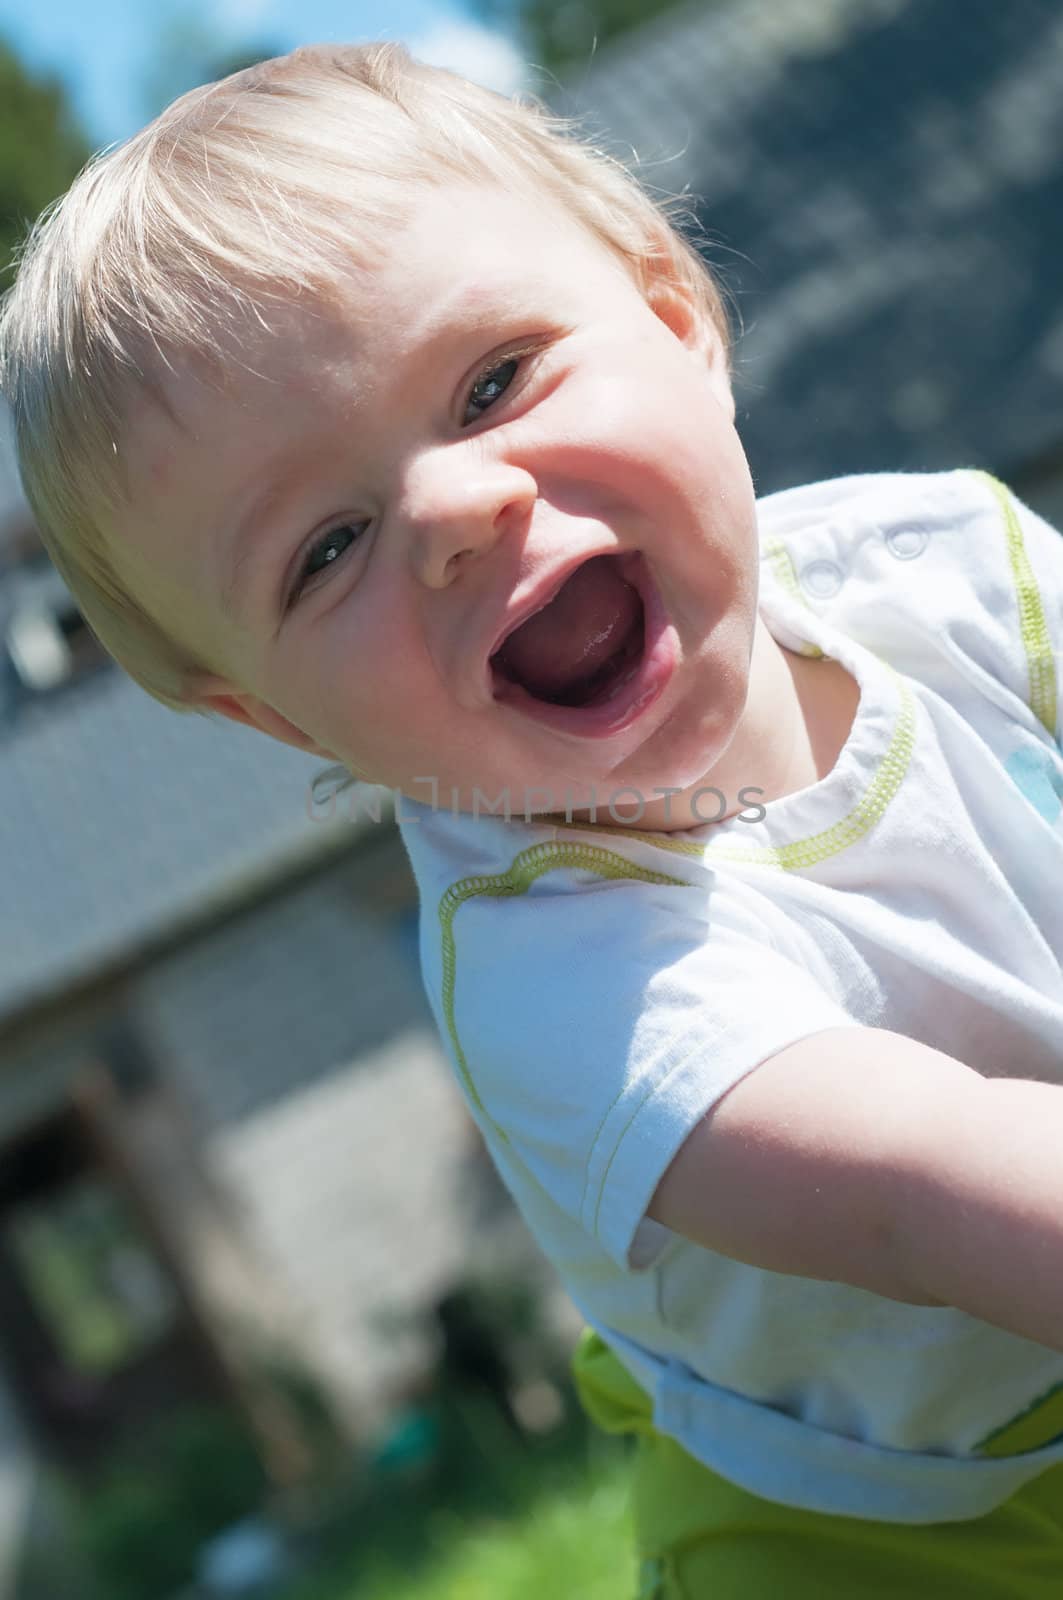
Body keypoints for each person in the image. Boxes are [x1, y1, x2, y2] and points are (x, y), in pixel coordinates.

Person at [3, 41, 1063, 1597]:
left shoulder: (942, 563)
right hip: (890, 1536)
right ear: (280, 719)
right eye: (325, 550)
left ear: (677, 314)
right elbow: (936, 1185)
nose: (448, 513)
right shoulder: (567, 981)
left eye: (494, 381)